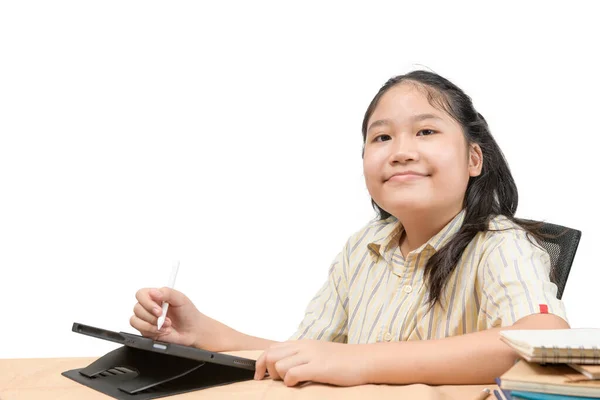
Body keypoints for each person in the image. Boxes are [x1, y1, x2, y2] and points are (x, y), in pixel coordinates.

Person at [130, 70, 569, 387]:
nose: (401, 151)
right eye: (381, 138)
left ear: (474, 159)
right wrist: (204, 334)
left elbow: (539, 342)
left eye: (426, 131)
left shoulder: (501, 244)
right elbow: (311, 356)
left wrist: (362, 362)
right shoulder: (364, 247)